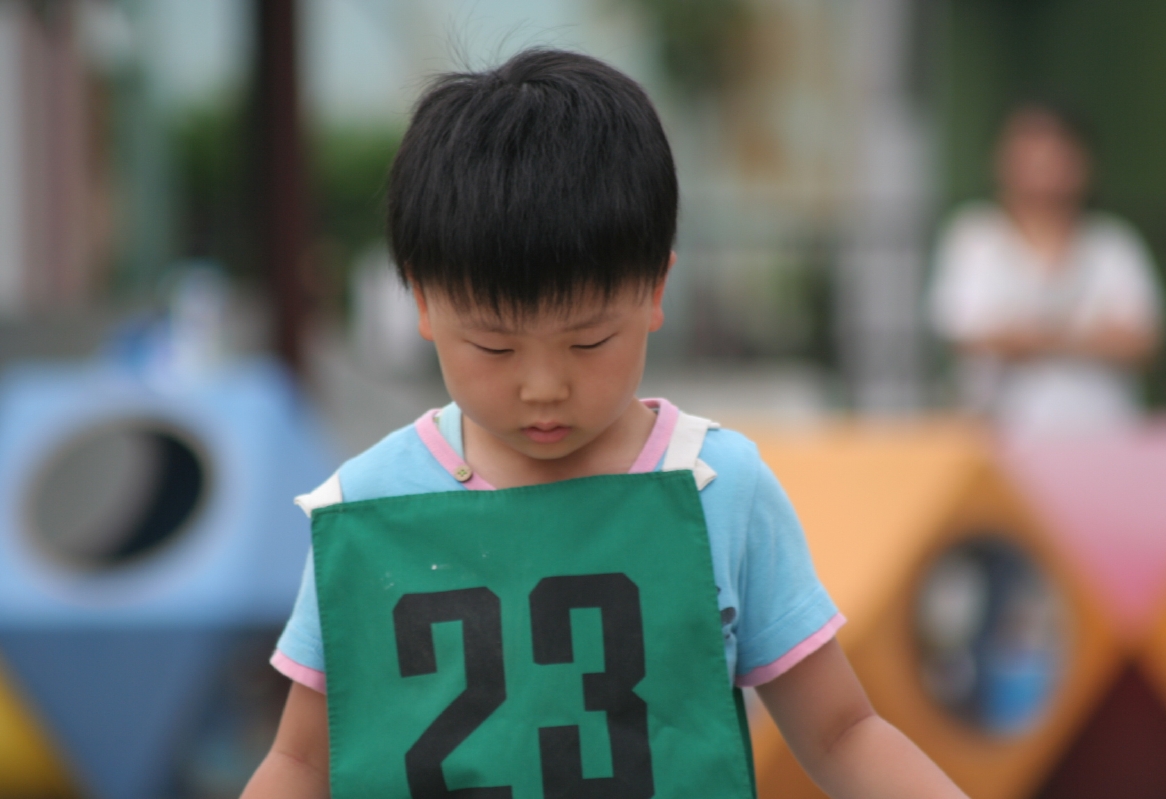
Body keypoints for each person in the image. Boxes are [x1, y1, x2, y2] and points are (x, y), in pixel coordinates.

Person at [241, 49, 966, 799]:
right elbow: (300, 763)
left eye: (589, 342)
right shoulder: (367, 509)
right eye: (494, 347)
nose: (544, 388)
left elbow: (842, 731)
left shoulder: (715, 485)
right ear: (422, 302)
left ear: (656, 289)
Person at [928, 104, 1164, 432]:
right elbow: (969, 333)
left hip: (1103, 432)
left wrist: (1034, 337)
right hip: (1000, 436)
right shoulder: (974, 237)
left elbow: (1142, 341)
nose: (1043, 165)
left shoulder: (1113, 243)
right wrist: (1086, 337)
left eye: (1056, 152)